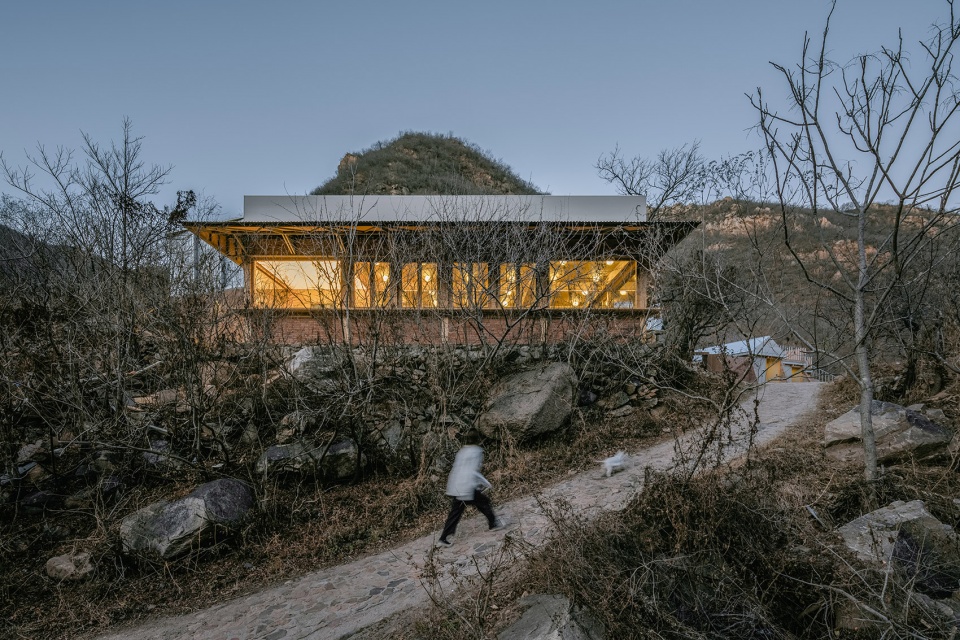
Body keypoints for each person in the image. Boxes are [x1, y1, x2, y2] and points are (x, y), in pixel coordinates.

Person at [437, 429, 503, 547]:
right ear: (478, 439)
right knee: (484, 503)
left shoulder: (462, 451)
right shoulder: (477, 451)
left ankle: (443, 537)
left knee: (455, 513)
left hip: (457, 486)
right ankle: (493, 524)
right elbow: (473, 471)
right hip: (467, 486)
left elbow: (456, 469)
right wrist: (486, 482)